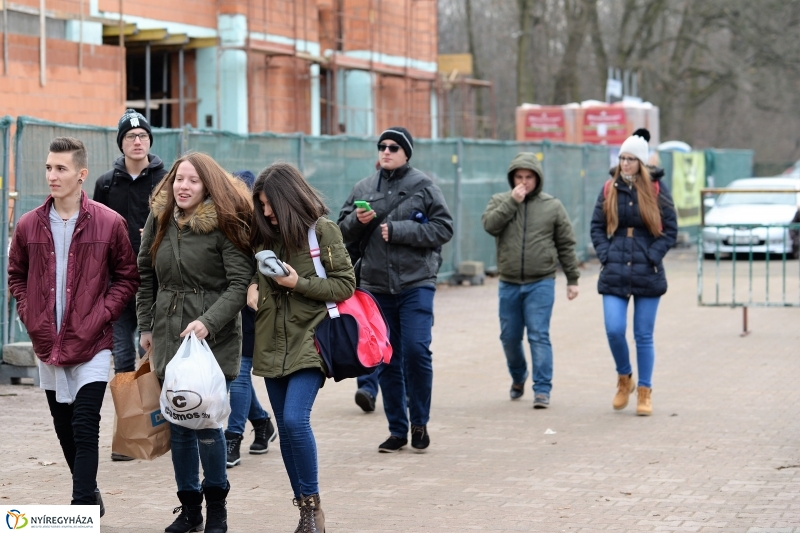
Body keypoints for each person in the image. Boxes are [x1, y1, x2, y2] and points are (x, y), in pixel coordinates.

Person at [7, 137, 139, 513]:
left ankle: (80, 505)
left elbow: (127, 278)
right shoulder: (29, 224)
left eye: (61, 168)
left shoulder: (109, 222)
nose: (52, 175)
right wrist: (29, 312)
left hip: (93, 343)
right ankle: (90, 491)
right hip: (48, 343)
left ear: (81, 175)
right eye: (49, 167)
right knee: (63, 426)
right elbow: (16, 273)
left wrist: (101, 314)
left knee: (84, 423)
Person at [136, 152, 254, 533]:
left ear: (207, 186)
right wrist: (146, 326)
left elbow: (239, 284)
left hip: (212, 340)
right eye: (178, 179)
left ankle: (217, 505)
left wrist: (208, 321)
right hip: (170, 335)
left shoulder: (224, 222)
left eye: (192, 180)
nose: (183, 187)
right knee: (178, 422)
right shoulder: (159, 218)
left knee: (205, 425)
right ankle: (189, 509)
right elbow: (144, 275)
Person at [249, 163, 355, 533]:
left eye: (270, 205)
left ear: (287, 198)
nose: (266, 213)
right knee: (285, 427)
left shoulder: (322, 231)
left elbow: (345, 285)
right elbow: (250, 275)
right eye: (261, 206)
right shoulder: (263, 234)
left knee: (295, 420)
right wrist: (253, 288)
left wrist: (299, 283)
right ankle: (305, 512)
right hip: (270, 340)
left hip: (311, 339)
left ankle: (313, 506)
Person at [338, 127, 453, 453]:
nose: (386, 151)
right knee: (386, 357)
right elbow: (341, 232)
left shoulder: (424, 186)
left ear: (406, 152)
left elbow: (444, 228)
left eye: (393, 147)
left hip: (417, 282)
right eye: (382, 147)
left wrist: (400, 230)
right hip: (375, 286)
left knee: (417, 350)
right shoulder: (363, 187)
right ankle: (397, 430)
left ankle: (419, 421)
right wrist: (358, 222)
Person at [94, 108, 168, 462]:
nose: (137, 142)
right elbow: (95, 231)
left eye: (142, 136)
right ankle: (129, 432)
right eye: (130, 137)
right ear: (121, 143)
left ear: (149, 141)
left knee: (158, 359)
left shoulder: (166, 179)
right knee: (123, 358)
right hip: (120, 283)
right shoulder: (107, 183)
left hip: (158, 282)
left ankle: (165, 430)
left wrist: (156, 235)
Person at [481, 153, 581, 408]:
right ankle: (518, 376)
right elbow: (490, 226)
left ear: (538, 179)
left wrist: (572, 279)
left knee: (538, 335)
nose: (524, 182)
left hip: (541, 282)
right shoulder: (500, 201)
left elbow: (566, 244)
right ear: (512, 178)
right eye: (519, 177)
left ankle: (542, 389)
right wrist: (512, 202)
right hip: (509, 282)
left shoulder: (552, 206)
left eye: (529, 177)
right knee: (509, 337)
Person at [590, 129, 677, 416]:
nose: (625, 164)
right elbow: (597, 227)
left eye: (630, 159)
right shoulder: (609, 188)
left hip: (647, 270)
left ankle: (645, 391)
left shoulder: (656, 189)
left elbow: (670, 230)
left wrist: (652, 255)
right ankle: (624, 377)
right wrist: (605, 253)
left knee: (643, 334)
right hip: (614, 269)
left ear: (640, 162)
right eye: (622, 158)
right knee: (614, 329)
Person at [224, 170, 276, 468]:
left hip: (253, 305)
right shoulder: (222, 221)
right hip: (227, 304)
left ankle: (233, 438)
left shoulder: (263, 224)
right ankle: (261, 421)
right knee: (235, 375)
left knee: (241, 374)